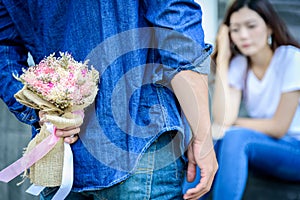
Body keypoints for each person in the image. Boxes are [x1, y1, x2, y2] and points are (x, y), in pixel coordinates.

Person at [0, 0, 218, 199]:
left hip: (60, 151)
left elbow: (4, 50)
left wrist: (43, 110)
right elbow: (176, 29)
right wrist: (202, 136)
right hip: (139, 141)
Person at [211, 0, 300, 199]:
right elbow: (222, 117)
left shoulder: (291, 59)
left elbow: (279, 127)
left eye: (251, 26)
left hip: (295, 149)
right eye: (235, 29)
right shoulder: (240, 64)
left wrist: (232, 123)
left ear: (269, 27)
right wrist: (223, 58)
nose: (243, 35)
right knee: (212, 142)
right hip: (265, 146)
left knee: (235, 136)